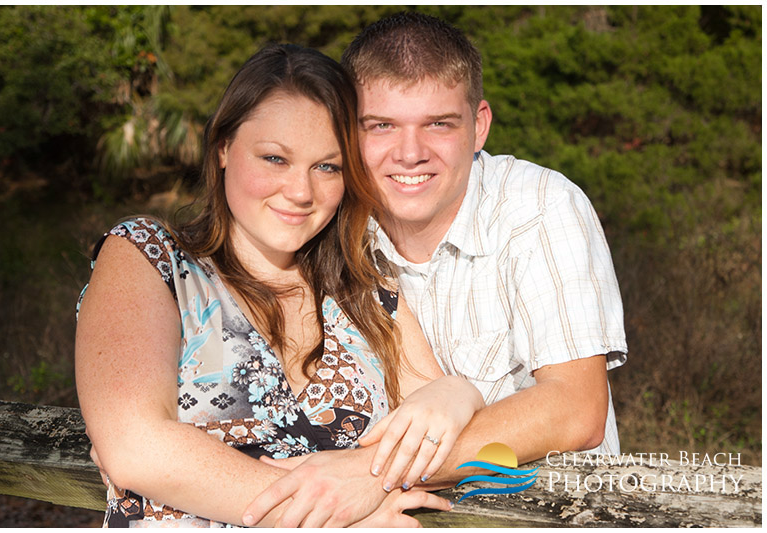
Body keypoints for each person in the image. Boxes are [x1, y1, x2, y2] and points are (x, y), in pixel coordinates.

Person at [241, 11, 628, 527]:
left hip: (549, 516)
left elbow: (576, 411)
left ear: (479, 126)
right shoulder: (328, 228)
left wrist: (368, 473)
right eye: (381, 126)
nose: (410, 154)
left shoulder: (540, 209)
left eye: (438, 124)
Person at [75, 43, 485, 528]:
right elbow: (135, 445)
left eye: (327, 167)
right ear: (224, 146)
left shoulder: (365, 292)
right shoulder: (151, 258)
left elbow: (434, 424)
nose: (300, 191)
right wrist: (335, 519)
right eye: (274, 158)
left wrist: (458, 395)